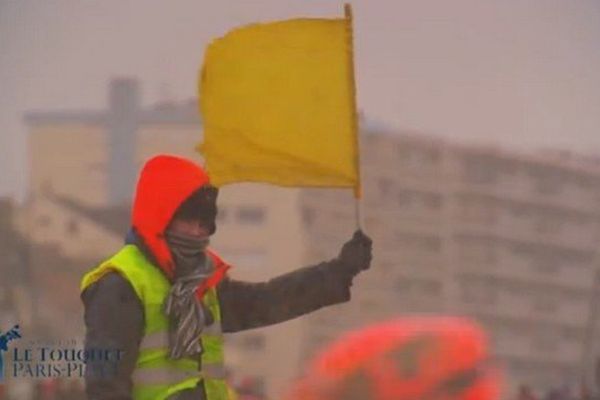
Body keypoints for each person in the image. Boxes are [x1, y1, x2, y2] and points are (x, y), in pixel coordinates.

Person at [80, 154, 373, 400]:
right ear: (160, 215)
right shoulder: (120, 283)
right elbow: (105, 384)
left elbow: (267, 302)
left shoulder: (202, 281)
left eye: (205, 222)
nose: (198, 232)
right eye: (188, 219)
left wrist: (340, 270)